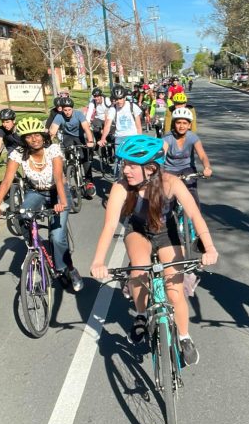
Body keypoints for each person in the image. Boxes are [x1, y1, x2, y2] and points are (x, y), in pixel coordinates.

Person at [90, 135, 218, 366]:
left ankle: (184, 336)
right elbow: (109, 226)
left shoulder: (170, 182)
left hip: (166, 233)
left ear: (150, 168)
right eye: (124, 164)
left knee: (174, 288)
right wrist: (98, 261)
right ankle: (140, 316)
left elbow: (194, 214)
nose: (124, 170)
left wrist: (209, 247)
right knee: (138, 269)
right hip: (138, 231)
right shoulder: (121, 187)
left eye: (130, 165)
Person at [0, 117, 84, 292]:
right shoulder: (18, 153)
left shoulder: (53, 150)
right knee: (23, 216)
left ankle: (70, 270)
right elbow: (7, 181)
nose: (34, 139)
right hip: (36, 191)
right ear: (23, 139)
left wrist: (62, 202)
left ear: (43, 135)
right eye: (28, 136)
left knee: (57, 237)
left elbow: (57, 177)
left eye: (37, 135)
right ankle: (35, 247)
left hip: (58, 192)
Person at [162, 107, 212, 207]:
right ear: (174, 123)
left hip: (187, 169)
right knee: (167, 198)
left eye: (185, 123)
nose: (181, 126)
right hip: (169, 169)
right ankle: (168, 219)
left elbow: (202, 155)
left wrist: (207, 168)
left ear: (189, 125)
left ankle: (194, 220)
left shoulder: (192, 137)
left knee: (192, 193)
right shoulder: (167, 138)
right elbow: (162, 154)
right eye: (178, 122)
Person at [49, 97, 95, 187]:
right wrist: (47, 143)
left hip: (79, 136)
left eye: (69, 110)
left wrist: (90, 141)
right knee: (66, 150)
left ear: (72, 109)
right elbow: (52, 131)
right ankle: (69, 168)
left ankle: (89, 181)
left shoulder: (79, 114)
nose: (67, 112)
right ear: (62, 109)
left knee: (84, 157)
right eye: (65, 110)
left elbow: (86, 128)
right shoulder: (59, 116)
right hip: (67, 136)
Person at [98, 84, 143, 151]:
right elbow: (107, 125)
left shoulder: (132, 106)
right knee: (118, 159)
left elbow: (138, 127)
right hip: (119, 137)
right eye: (116, 99)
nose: (119, 101)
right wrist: (103, 138)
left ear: (125, 97)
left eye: (120, 98)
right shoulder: (113, 109)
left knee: (134, 158)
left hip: (133, 136)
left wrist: (139, 139)